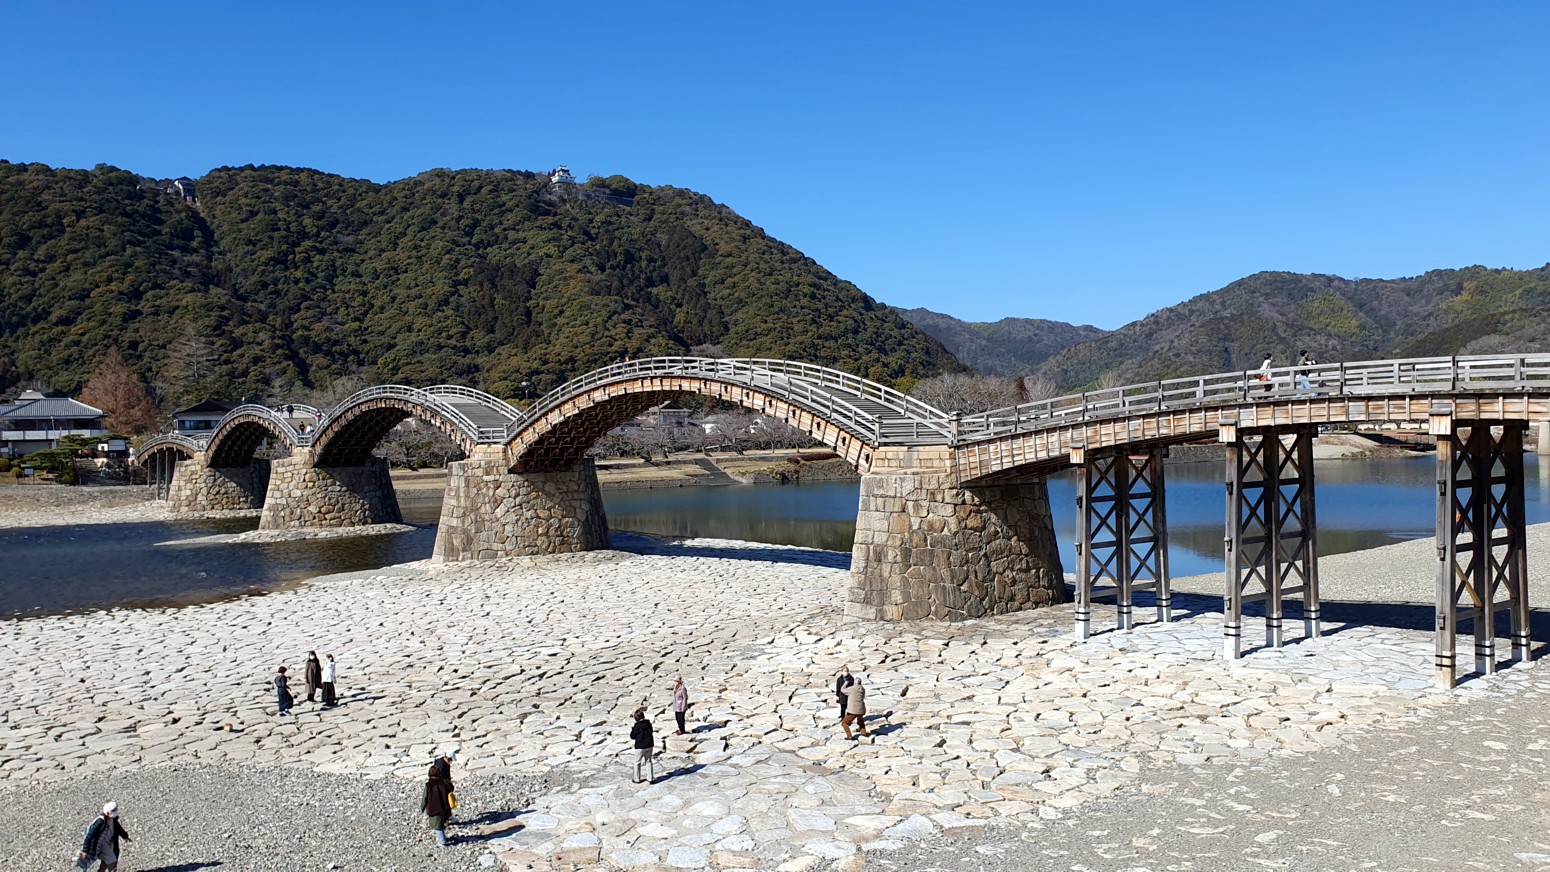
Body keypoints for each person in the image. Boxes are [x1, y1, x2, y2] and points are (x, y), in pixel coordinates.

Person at [79, 802, 131, 872]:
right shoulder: (100, 822)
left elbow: (118, 828)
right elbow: (90, 836)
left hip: (109, 843)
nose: (115, 812)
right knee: (110, 859)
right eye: (113, 811)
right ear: (107, 812)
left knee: (110, 859)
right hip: (99, 844)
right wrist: (85, 850)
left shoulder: (113, 820)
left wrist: (125, 836)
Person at [421, 750, 457, 847]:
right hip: (444, 806)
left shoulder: (429, 785)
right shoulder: (444, 781)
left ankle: (442, 841)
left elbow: (425, 797)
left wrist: (422, 807)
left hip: (434, 808)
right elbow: (451, 788)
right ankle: (443, 840)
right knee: (441, 823)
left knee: (437, 825)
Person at [630, 708, 655, 784]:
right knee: (648, 761)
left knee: (637, 762)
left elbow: (632, 736)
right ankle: (650, 778)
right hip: (649, 744)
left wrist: (633, 729)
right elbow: (651, 731)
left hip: (640, 746)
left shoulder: (637, 725)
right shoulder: (648, 723)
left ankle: (637, 779)